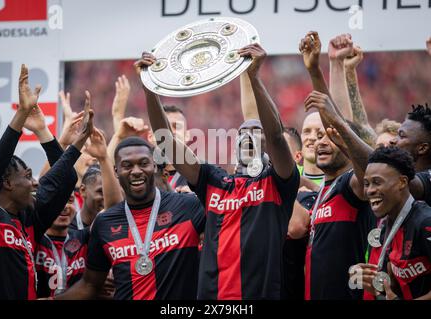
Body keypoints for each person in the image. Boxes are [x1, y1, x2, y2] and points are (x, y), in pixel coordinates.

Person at [137, 43, 299, 300]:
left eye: (258, 134)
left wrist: (255, 78)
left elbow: (278, 137)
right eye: (244, 132)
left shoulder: (277, 183)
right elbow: (166, 141)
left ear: (266, 146)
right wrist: (149, 87)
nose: (250, 137)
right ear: (234, 144)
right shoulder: (215, 181)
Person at [0, 65, 94, 299]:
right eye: (27, 176)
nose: (35, 183)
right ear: (7, 183)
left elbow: (65, 180)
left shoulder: (30, 219)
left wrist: (50, 133)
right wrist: (20, 115)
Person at [54, 137, 205, 300]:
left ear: (154, 166)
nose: (136, 171)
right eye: (127, 165)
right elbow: (90, 284)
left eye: (143, 163)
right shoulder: (104, 223)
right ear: (116, 171)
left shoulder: (188, 206)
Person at [299, 31, 376, 300]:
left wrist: (316, 70)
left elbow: (341, 127)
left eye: (328, 138)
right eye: (316, 137)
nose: (321, 141)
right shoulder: (324, 190)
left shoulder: (351, 186)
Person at [354, 146, 431, 300]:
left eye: (377, 182)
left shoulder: (425, 223)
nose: (369, 191)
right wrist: (371, 281)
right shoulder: (385, 227)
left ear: (402, 182)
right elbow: (393, 288)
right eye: (367, 183)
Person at [35, 194, 89, 298]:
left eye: (69, 200)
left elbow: (112, 208)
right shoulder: (32, 238)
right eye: (55, 201)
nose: (64, 206)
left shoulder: (85, 237)